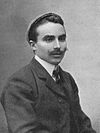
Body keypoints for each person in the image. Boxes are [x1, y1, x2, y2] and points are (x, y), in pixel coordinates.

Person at [0, 12, 96, 133]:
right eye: (49, 39)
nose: (57, 46)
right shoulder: (18, 84)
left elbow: (83, 126)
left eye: (61, 38)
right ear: (33, 45)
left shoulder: (67, 79)